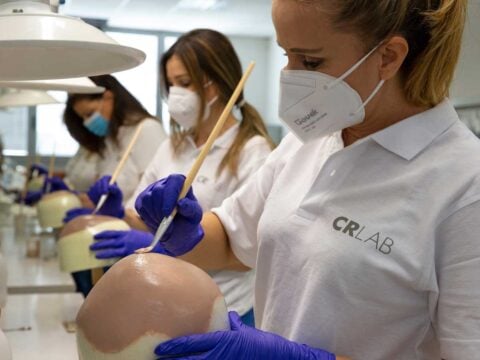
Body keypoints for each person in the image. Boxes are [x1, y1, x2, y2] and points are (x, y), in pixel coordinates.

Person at [131, 1, 477, 359]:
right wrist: (185, 229)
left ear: (388, 56)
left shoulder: (464, 184)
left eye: (310, 62)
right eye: (286, 55)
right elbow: (234, 241)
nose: (291, 76)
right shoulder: (310, 140)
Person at [87, 29, 276, 326]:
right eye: (171, 84)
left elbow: (249, 255)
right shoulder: (171, 146)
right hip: (163, 303)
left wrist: (172, 247)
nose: (175, 94)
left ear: (216, 83)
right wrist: (120, 215)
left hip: (223, 311)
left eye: (184, 83)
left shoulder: (255, 154)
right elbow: (143, 217)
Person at [63, 75, 166, 297]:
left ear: (108, 97)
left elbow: (158, 197)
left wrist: (124, 218)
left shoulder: (147, 130)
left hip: (142, 241)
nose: (87, 123)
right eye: (83, 118)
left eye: (89, 114)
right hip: (117, 238)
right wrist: (93, 208)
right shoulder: (111, 139)